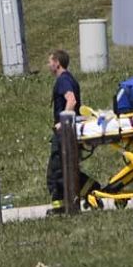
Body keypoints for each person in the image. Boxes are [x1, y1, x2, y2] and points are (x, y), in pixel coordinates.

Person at [46, 49, 99, 215]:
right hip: (69, 132)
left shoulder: (63, 80)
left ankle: (62, 206)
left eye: (50, 62)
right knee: (65, 169)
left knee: (56, 171)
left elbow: (71, 100)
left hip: (64, 133)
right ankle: (90, 190)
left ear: (57, 63)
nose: (48, 65)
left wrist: (63, 122)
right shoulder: (69, 79)